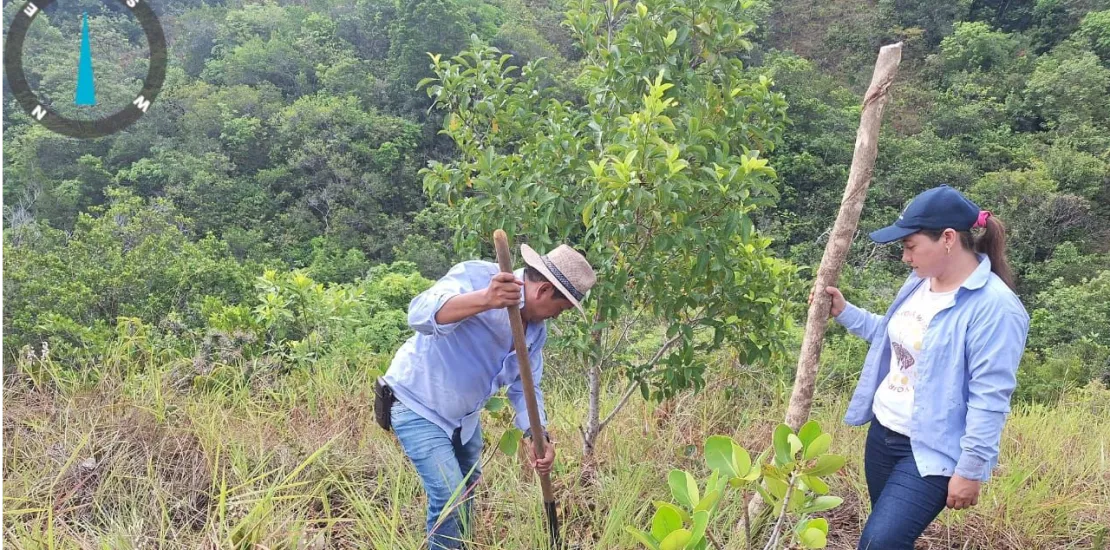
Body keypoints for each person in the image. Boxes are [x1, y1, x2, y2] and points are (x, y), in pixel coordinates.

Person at [814, 185, 1030, 549]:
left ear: (947, 238)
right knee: (891, 539)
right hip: (883, 435)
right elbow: (894, 338)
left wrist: (971, 470)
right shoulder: (919, 282)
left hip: (931, 452)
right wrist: (845, 312)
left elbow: (990, 397)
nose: (905, 258)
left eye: (911, 246)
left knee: (877, 544)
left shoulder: (996, 308)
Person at [381, 243, 597, 550]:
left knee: (468, 491)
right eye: (560, 309)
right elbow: (418, 315)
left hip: (464, 419)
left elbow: (527, 386)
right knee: (450, 496)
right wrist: (485, 300)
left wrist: (538, 436)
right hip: (418, 406)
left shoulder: (536, 331)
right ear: (545, 290)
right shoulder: (479, 278)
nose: (557, 317)